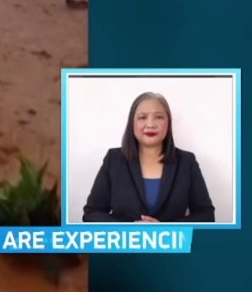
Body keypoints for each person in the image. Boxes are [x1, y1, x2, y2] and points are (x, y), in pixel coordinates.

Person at [82, 92, 216, 223]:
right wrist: (129, 229)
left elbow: (206, 215)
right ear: (132, 123)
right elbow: (91, 214)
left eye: (159, 117)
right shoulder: (114, 160)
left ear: (168, 123)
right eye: (142, 117)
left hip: (171, 244)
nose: (150, 124)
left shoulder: (187, 162)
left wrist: (164, 231)